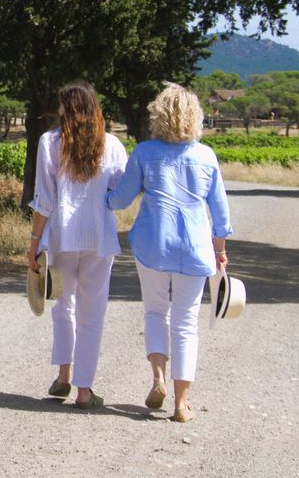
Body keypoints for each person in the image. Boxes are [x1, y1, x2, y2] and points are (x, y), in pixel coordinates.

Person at [106, 83, 231, 423]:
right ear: (196, 117)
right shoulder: (206, 156)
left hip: (152, 244)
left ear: (158, 115)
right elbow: (220, 212)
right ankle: (181, 403)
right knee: (186, 322)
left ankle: (158, 378)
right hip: (194, 247)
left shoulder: (145, 152)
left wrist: (98, 197)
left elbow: (121, 199)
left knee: (155, 312)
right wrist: (220, 248)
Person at [28, 80, 127, 410]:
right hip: (99, 237)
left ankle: (64, 375)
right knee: (92, 312)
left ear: (64, 109)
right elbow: (120, 193)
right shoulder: (111, 144)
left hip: (61, 236)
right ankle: (85, 389)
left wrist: (33, 242)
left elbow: (44, 198)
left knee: (63, 305)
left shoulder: (49, 142)